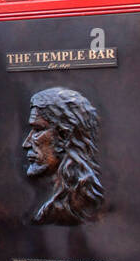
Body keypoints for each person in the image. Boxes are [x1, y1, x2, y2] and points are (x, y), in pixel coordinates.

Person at [22, 86, 103, 225]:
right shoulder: (63, 202)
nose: (26, 143)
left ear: (64, 136)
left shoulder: (77, 205)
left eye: (37, 130)